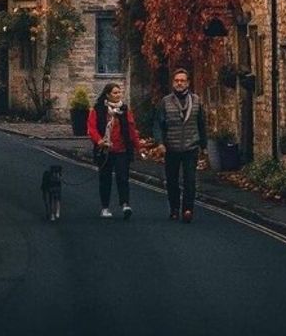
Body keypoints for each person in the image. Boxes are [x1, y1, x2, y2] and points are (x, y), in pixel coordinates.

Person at [154, 68, 207, 223]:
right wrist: (160, 143)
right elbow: (158, 125)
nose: (179, 83)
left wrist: (204, 146)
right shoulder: (165, 102)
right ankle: (174, 209)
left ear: (188, 83)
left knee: (190, 180)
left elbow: (202, 124)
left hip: (191, 147)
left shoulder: (196, 100)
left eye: (182, 80)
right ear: (173, 83)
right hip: (171, 147)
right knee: (172, 181)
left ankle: (188, 209)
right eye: (177, 80)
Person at [87, 83, 141, 220]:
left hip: (121, 149)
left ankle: (125, 204)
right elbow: (91, 128)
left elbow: (131, 129)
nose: (118, 95)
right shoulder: (98, 110)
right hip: (105, 150)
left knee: (123, 177)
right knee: (105, 179)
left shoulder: (124, 110)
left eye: (119, 92)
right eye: (115, 93)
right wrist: (99, 141)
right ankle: (105, 207)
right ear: (108, 94)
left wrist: (138, 146)